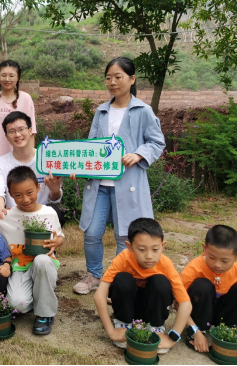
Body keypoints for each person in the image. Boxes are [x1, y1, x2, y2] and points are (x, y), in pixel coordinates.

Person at [73, 57, 166, 295]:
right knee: (92, 232)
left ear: (132, 79)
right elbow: (91, 146)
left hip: (128, 183)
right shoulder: (102, 111)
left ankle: (116, 280)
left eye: (118, 77)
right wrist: (77, 167)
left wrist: (139, 154)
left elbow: (157, 142)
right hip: (99, 184)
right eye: (108, 78)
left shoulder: (143, 110)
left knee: (124, 234)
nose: (112, 82)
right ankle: (94, 275)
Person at [0, 166, 65, 336]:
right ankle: (39, 295)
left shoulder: (49, 212)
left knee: (41, 260)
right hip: (19, 267)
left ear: (38, 188)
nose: (25, 199)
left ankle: (45, 314)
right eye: (18, 195)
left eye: (30, 192)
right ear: (10, 194)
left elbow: (60, 236)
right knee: (17, 305)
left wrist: (57, 242)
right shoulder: (6, 216)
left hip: (44, 265)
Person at [94, 218, 192, 355]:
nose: (149, 256)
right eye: (141, 249)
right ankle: (123, 323)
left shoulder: (166, 264)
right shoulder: (123, 259)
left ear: (162, 246)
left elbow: (185, 304)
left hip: (151, 309)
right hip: (129, 307)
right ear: (129, 246)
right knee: (122, 279)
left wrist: (172, 339)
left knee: (161, 281)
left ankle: (156, 327)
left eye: (155, 249)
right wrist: (111, 332)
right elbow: (99, 295)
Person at [181, 225, 237, 353]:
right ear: (204, 248)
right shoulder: (194, 268)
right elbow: (179, 302)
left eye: (224, 261)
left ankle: (227, 330)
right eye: (211, 257)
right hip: (200, 312)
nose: (217, 264)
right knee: (202, 285)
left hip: (223, 314)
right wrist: (195, 330)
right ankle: (199, 328)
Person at [0, 111, 64, 226]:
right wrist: (0, 211)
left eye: (21, 129)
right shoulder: (0, 164)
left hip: (43, 216)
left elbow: (54, 199)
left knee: (55, 211)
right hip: (15, 217)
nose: (17, 135)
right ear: (6, 136)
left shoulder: (47, 159)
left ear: (30, 131)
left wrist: (55, 189)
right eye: (11, 131)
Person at [0, 60, 37, 165]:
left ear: (18, 77)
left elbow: (31, 132)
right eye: (3, 75)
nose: (7, 79)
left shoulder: (25, 98)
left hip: (21, 159)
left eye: (11, 76)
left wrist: (30, 161)